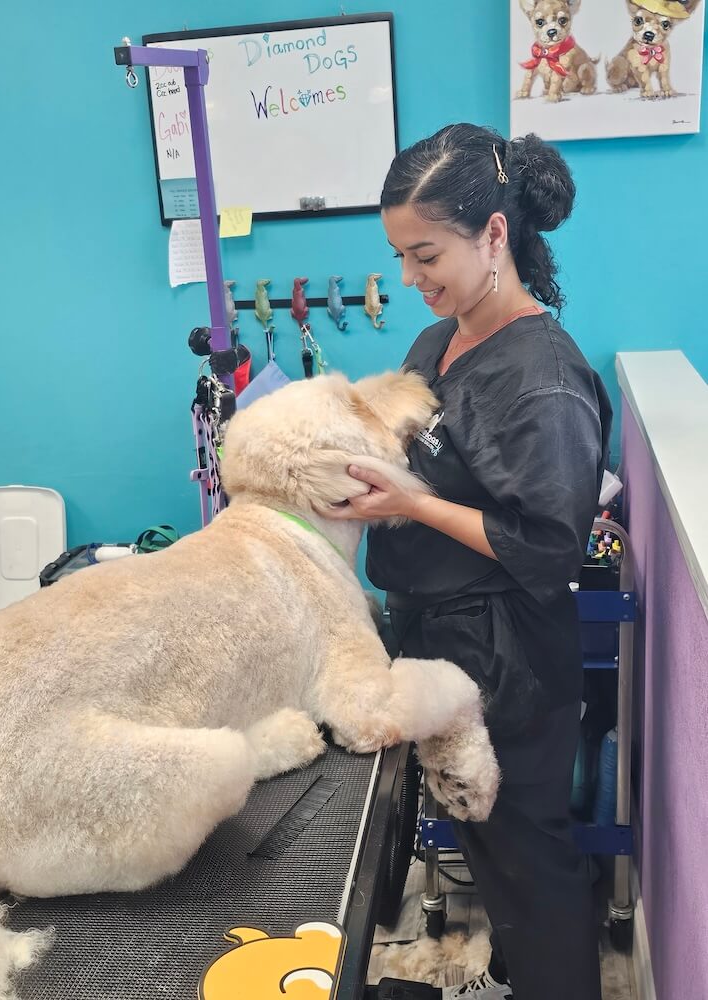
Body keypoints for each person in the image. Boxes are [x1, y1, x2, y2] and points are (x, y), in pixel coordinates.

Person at [328, 124, 612, 1000]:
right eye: (400, 258)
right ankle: (515, 977)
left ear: (495, 234)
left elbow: (548, 544)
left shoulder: (543, 379)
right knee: (487, 848)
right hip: (440, 636)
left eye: (425, 256)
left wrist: (408, 503)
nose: (409, 280)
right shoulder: (437, 341)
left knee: (528, 860)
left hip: (511, 655)